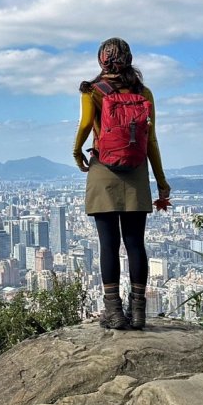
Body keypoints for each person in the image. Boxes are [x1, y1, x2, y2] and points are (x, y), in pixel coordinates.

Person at [73, 38, 170, 330]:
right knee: (135, 243)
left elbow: (86, 125)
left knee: (109, 245)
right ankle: (138, 312)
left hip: (103, 170)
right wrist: (161, 181)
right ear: (129, 59)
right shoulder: (144, 92)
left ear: (101, 60)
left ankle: (114, 312)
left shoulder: (93, 91)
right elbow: (151, 140)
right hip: (137, 172)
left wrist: (77, 151)